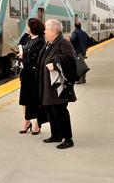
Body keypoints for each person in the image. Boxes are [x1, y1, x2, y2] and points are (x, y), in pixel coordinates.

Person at [37, 19, 78, 149]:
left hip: (58, 86)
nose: (44, 32)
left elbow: (71, 61)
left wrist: (55, 65)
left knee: (60, 111)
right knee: (50, 109)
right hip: (48, 85)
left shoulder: (63, 43)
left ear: (54, 30)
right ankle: (56, 135)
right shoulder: (49, 43)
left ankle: (68, 139)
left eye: (46, 29)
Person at [18, 18, 46, 135]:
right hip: (26, 74)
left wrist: (22, 55)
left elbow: (34, 59)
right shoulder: (29, 39)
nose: (26, 28)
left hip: (34, 75)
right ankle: (26, 121)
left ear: (32, 28)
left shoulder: (40, 41)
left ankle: (37, 124)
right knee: (25, 99)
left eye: (28, 26)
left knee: (34, 100)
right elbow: (20, 42)